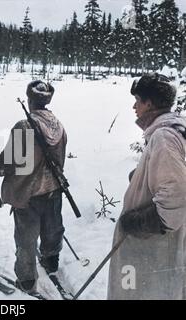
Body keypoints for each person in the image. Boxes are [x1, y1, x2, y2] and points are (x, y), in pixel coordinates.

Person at [108, 73, 186, 300]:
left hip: (154, 246)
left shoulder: (164, 136)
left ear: (149, 103)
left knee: (142, 291)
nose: (134, 106)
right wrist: (144, 174)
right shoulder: (175, 130)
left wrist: (140, 222)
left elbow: (177, 193)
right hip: (163, 244)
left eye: (138, 100)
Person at [0, 80, 67, 293]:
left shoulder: (24, 125)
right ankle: (51, 260)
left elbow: (10, 159)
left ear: (30, 100)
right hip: (53, 187)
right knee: (52, 227)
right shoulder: (59, 125)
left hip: (28, 191)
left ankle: (26, 280)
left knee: (26, 237)